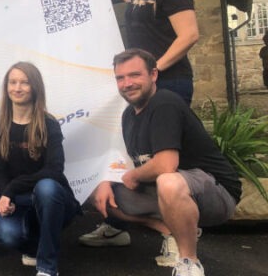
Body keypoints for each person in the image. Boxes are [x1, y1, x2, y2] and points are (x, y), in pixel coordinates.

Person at [87, 49, 240, 276]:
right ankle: (168, 229)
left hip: (216, 192)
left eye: (135, 75)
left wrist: (133, 176)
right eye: (121, 78)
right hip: (171, 192)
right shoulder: (129, 115)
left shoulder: (164, 103)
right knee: (98, 192)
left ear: (153, 75)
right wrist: (107, 181)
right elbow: (138, 161)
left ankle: (188, 262)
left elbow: (165, 165)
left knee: (168, 181)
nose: (127, 83)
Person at [0, 62, 80, 276]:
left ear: (35, 87)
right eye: (13, 82)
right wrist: (5, 196)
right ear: (6, 86)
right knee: (8, 236)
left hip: (52, 198)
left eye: (25, 82)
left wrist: (11, 189)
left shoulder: (49, 124)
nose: (17, 88)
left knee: (46, 187)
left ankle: (47, 267)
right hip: (19, 200)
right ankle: (36, 246)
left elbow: (55, 170)